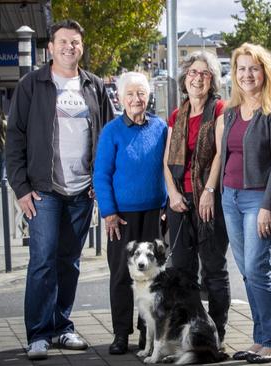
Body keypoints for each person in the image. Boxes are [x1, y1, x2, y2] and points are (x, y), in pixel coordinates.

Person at [6, 19, 114, 360]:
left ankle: (62, 327)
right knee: (42, 262)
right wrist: (20, 188)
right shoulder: (32, 85)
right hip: (43, 191)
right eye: (64, 42)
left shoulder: (94, 86)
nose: (70, 47)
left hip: (82, 192)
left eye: (76, 43)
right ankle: (38, 334)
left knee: (69, 262)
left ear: (82, 48)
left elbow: (108, 137)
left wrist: (102, 182)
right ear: (50, 48)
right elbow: (15, 139)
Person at [220, 43, 271, 364]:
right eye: (242, 68)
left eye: (254, 68)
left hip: (258, 200)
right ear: (234, 73)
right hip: (230, 197)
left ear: (265, 72)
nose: (247, 74)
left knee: (257, 269)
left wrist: (267, 205)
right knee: (247, 273)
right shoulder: (231, 111)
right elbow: (226, 155)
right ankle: (259, 340)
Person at [93, 72, 167, 355]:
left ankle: (146, 333)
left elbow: (167, 169)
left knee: (151, 276)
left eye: (141, 93)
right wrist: (109, 212)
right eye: (131, 94)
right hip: (121, 217)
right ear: (121, 98)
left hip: (153, 214)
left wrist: (166, 204)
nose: (137, 99)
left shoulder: (160, 128)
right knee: (122, 276)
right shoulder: (112, 131)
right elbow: (101, 174)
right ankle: (121, 333)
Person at [163, 51, 230, 346]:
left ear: (212, 80)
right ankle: (193, 330)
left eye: (204, 73)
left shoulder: (219, 110)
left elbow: (219, 155)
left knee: (213, 269)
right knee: (181, 269)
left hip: (207, 198)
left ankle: (218, 332)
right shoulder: (178, 114)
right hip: (180, 200)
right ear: (184, 78)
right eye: (193, 73)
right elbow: (166, 162)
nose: (197, 78)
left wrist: (209, 191)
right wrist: (173, 193)